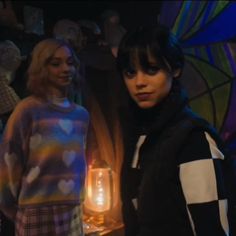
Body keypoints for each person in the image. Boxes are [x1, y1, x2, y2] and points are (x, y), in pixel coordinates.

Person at [116, 24, 230, 236]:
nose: (139, 82)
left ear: (175, 69)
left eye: (151, 69)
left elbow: (211, 228)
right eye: (130, 72)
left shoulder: (193, 138)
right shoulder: (140, 134)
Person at [0, 38, 89, 235]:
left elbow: (79, 164)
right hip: (35, 211)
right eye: (55, 63)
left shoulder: (81, 115)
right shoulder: (27, 110)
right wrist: (11, 207)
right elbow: (8, 161)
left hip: (72, 211)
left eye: (70, 62)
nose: (65, 69)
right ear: (42, 67)